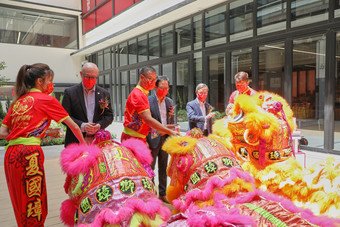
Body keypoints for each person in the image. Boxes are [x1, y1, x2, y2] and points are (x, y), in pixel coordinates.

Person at [0, 63, 86, 227]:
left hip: (11, 154)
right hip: (29, 155)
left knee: (19, 199)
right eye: (49, 80)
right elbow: (74, 126)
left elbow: (3, 133)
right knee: (34, 200)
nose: (50, 85)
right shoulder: (46, 100)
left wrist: (34, 134)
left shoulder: (18, 102)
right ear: (40, 81)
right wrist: (86, 149)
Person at [121, 66, 178, 142]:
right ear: (142, 77)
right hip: (133, 138)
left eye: (155, 79)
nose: (153, 82)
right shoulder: (138, 94)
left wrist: (166, 128)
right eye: (150, 79)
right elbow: (148, 119)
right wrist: (169, 131)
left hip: (139, 137)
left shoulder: (142, 93)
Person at [62, 62, 113, 146]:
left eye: (93, 77)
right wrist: (82, 125)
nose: (90, 80)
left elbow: (109, 116)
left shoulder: (104, 93)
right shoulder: (70, 93)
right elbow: (64, 117)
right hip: (75, 140)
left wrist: (99, 125)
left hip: (98, 139)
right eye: (87, 77)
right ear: (81, 74)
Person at [146, 76, 174, 203]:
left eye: (167, 88)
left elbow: (171, 121)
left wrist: (172, 122)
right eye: (162, 88)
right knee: (150, 167)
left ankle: (162, 193)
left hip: (165, 138)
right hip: (152, 139)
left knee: (163, 166)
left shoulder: (169, 102)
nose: (165, 90)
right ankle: (151, 193)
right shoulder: (148, 101)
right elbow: (146, 122)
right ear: (155, 87)